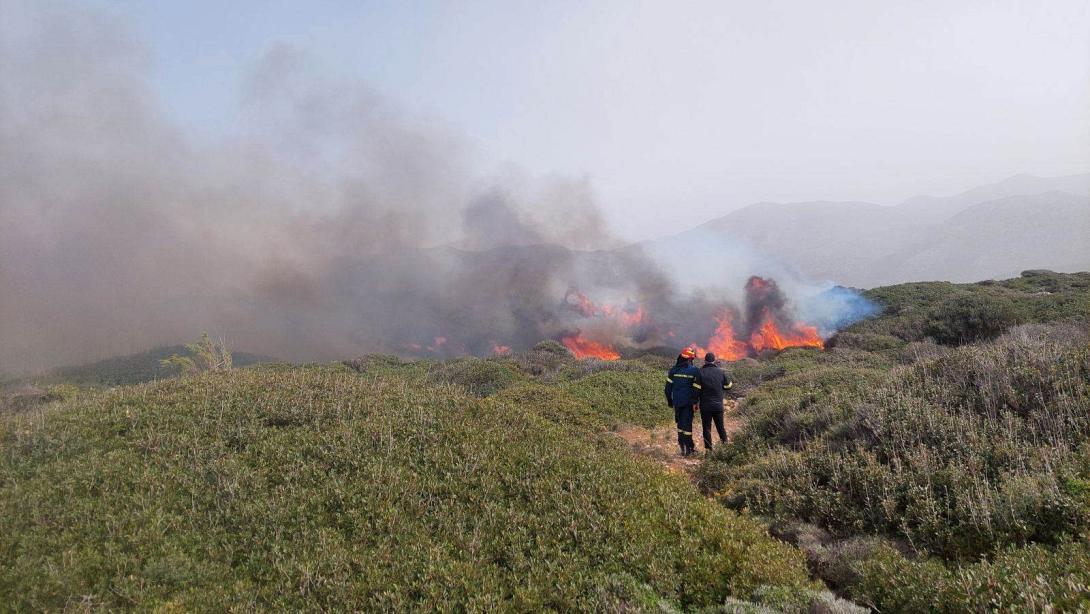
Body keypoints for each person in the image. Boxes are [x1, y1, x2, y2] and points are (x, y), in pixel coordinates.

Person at [664, 346, 702, 456]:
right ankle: (689, 450)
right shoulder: (695, 371)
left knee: (680, 425)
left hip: (677, 402)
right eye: (692, 359)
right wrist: (696, 402)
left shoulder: (673, 370)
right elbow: (697, 388)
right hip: (688, 403)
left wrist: (670, 401)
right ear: (690, 359)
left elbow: (667, 389)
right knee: (687, 426)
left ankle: (682, 448)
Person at [697, 352, 735, 452]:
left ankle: (709, 451)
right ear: (714, 361)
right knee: (721, 427)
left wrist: (694, 403)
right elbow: (728, 386)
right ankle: (726, 448)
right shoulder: (721, 372)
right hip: (718, 406)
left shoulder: (700, 372)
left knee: (706, 428)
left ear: (705, 361)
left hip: (705, 406)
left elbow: (696, 389)